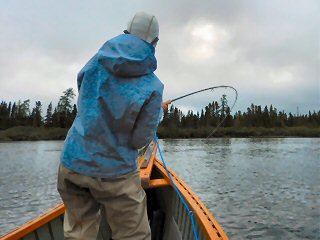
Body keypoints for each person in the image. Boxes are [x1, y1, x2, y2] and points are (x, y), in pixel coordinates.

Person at [57, 12, 170, 240]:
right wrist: (159, 112)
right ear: (155, 43)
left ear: (126, 32)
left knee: (77, 234)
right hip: (115, 173)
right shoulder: (153, 86)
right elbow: (139, 140)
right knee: (133, 235)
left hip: (72, 162)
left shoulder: (96, 61)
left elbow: (85, 96)